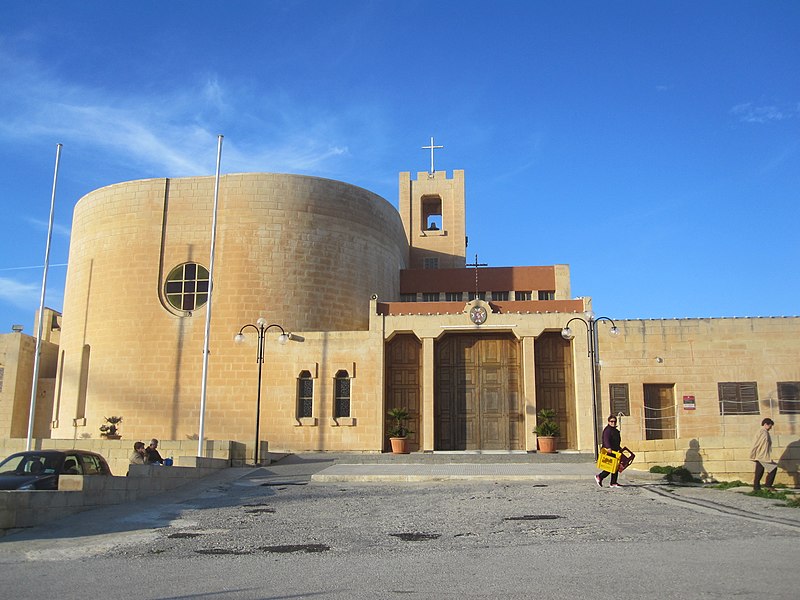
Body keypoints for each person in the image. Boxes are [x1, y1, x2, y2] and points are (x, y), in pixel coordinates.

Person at [750, 418, 777, 491]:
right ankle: (767, 485)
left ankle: (756, 487)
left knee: (759, 471)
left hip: (760, 456)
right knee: (773, 468)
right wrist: (765, 457)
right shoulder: (763, 432)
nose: (771, 428)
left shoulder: (762, 431)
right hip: (762, 456)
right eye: (770, 426)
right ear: (765, 424)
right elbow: (762, 445)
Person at [596, 415, 622, 488]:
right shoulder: (607, 430)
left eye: (614, 421)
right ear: (608, 422)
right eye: (611, 421)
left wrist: (619, 448)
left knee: (616, 467)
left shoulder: (615, 430)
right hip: (609, 451)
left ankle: (613, 482)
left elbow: (616, 440)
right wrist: (608, 447)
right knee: (609, 467)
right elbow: (606, 439)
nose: (613, 423)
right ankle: (600, 476)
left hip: (615, 451)